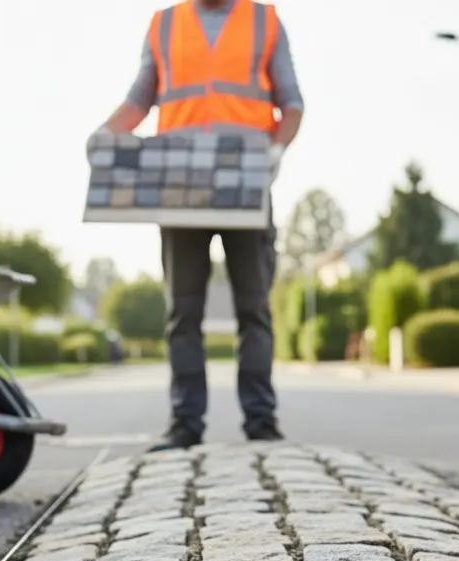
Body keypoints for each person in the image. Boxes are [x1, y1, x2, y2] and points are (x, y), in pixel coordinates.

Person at [92, 0, 305, 452]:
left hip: (245, 183)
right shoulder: (165, 24)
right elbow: (139, 100)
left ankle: (261, 422)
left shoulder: (263, 21)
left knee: (254, 308)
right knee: (183, 311)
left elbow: (292, 104)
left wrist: (277, 150)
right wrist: (106, 133)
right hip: (180, 186)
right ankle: (185, 423)